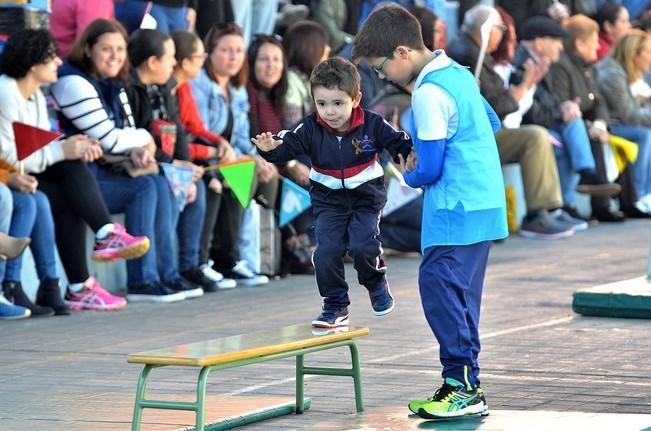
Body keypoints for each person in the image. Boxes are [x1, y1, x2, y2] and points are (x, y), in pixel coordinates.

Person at [353, 3, 507, 419]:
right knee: (461, 293)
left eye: (381, 66)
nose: (382, 75)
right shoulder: (457, 72)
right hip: (484, 199)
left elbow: (431, 168)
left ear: (403, 53)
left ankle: (460, 388)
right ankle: (466, 383)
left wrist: (410, 172)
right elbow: (490, 123)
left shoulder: (427, 92)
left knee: (439, 283)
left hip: (455, 205)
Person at [252, 56, 412, 328]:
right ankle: (335, 306)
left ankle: (375, 283)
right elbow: (287, 146)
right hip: (328, 201)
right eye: (322, 103)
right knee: (326, 252)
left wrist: (408, 153)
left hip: (365, 199)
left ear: (356, 99)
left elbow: (397, 141)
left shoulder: (372, 124)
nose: (330, 112)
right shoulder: (310, 127)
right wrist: (269, 150)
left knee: (363, 246)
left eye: (338, 103)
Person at [0, 29, 148, 313]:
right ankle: (93, 255)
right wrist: (64, 150)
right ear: (33, 63)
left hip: (25, 174)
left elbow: (38, 148)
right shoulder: (6, 92)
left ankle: (72, 286)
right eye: (52, 57)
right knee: (65, 171)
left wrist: (73, 146)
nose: (58, 62)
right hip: (8, 176)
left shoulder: (36, 96)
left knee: (68, 190)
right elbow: (11, 158)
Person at [50, 19, 185, 302]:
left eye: (121, 49)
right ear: (87, 49)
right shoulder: (72, 81)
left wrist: (134, 150)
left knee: (157, 182)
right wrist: (143, 140)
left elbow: (103, 141)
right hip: (73, 181)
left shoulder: (108, 82)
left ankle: (166, 274)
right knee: (145, 187)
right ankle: (141, 281)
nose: (115, 55)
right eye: (106, 49)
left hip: (92, 173)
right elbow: (108, 138)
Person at [447, 4, 575, 239]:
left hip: (481, 132)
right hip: (474, 136)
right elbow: (495, 107)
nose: (503, 35)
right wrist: (525, 86)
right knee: (534, 137)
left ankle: (549, 210)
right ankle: (537, 215)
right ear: (488, 30)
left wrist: (523, 87)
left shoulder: (470, 51)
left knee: (539, 134)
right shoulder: (469, 56)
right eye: (500, 29)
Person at [513, 16, 622, 225]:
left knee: (575, 123)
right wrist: (561, 112)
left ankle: (574, 192)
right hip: (529, 128)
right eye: (556, 41)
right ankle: (570, 195)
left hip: (546, 124)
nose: (561, 47)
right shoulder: (524, 66)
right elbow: (530, 113)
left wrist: (564, 108)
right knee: (568, 135)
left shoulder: (546, 63)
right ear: (539, 42)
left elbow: (559, 102)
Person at [125, 28, 207, 299]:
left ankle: (177, 271)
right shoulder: (130, 89)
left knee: (199, 187)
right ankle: (145, 279)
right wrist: (173, 166)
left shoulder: (164, 88)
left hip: (161, 163)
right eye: (170, 57)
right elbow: (141, 139)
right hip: (136, 166)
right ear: (152, 62)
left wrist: (182, 164)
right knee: (159, 186)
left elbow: (177, 129)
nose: (174, 63)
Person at [191, 22, 270, 286]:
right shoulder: (198, 85)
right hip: (201, 158)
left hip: (226, 158)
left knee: (246, 171)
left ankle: (231, 260)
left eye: (238, 50)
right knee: (225, 178)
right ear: (210, 53)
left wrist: (254, 157)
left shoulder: (237, 89)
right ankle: (205, 260)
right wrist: (228, 161)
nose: (234, 56)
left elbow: (240, 138)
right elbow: (197, 131)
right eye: (226, 50)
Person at [170, 30, 237, 289]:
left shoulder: (183, 86)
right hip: (177, 160)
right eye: (201, 55)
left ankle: (224, 260)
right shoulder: (168, 89)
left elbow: (195, 127)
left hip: (190, 157)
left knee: (235, 175)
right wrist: (209, 153)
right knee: (209, 183)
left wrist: (219, 142)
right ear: (185, 62)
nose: (204, 60)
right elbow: (178, 143)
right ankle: (195, 262)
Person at [595, 30, 651, 212]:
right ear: (633, 54)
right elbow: (630, 115)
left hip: (617, 124)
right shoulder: (612, 73)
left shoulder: (623, 70)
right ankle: (639, 195)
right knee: (644, 134)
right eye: (648, 53)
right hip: (607, 127)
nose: (650, 58)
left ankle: (646, 194)